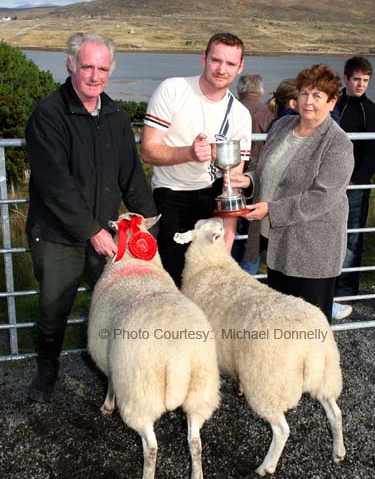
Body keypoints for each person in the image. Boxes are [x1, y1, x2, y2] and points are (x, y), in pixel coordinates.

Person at [25, 33, 157, 403]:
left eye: (102, 68)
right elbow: (57, 186)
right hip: (57, 234)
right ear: (71, 65)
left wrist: (148, 221)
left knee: (115, 304)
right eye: (87, 66)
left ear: (110, 70)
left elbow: (130, 174)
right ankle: (47, 369)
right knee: (54, 305)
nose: (94, 76)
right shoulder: (48, 116)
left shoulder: (114, 115)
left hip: (105, 231)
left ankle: (112, 369)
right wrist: (94, 231)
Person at [230, 63, 354, 323]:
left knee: (309, 331)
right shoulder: (283, 125)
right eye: (305, 93)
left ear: (332, 103)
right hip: (278, 247)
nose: (309, 101)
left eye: (318, 96)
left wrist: (271, 210)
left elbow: (321, 197)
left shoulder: (338, 143)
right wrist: (249, 181)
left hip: (312, 253)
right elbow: (266, 169)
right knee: (281, 325)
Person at [141, 32, 252, 287]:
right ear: (203, 58)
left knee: (209, 281)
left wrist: (228, 237)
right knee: (174, 276)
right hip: (171, 194)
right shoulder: (173, 89)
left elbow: (231, 184)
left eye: (230, 64)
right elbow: (148, 151)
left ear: (240, 67)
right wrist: (188, 153)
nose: (221, 69)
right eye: (216, 60)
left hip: (211, 197)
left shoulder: (240, 115)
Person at [333, 56, 375, 320]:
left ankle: (347, 290)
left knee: (353, 238)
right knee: (326, 235)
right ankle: (325, 285)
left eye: (365, 80)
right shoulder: (333, 106)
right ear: (346, 78)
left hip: (355, 187)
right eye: (356, 79)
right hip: (328, 185)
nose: (361, 84)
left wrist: (358, 179)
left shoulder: (373, 112)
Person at [231, 73, 273, 275]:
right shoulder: (268, 114)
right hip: (258, 182)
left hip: (231, 178)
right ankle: (247, 276)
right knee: (252, 238)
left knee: (231, 231)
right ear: (261, 91)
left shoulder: (230, 109)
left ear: (240, 90)